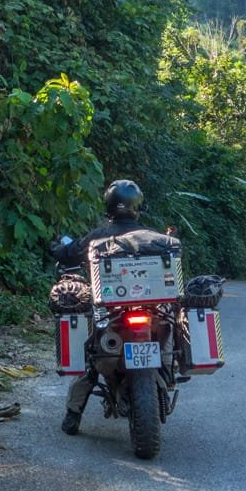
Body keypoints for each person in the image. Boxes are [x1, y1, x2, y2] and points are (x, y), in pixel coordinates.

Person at [56, 179, 148, 435]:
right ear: (137, 206)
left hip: (110, 312)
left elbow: (68, 253)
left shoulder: (98, 236)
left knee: (91, 360)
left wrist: (58, 249)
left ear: (108, 206)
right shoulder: (150, 237)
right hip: (150, 310)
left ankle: (73, 416)